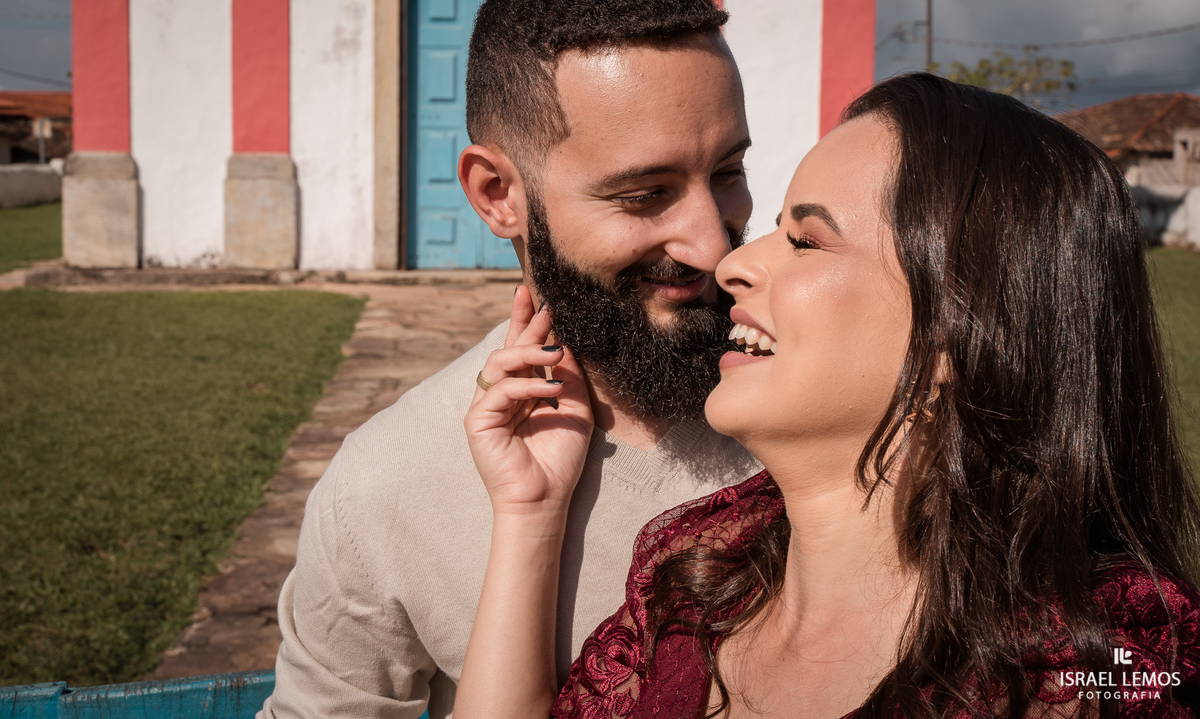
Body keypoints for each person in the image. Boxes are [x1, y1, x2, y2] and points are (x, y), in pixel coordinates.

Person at [455, 73, 1200, 718]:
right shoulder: (703, 584)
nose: (732, 261)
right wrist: (528, 512)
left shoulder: (1101, 672)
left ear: (960, 334)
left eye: (806, 241)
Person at [260, 0, 761, 719]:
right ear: (497, 195)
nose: (712, 243)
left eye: (727, 171)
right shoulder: (384, 490)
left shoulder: (829, 406)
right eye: (644, 194)